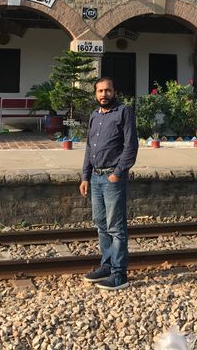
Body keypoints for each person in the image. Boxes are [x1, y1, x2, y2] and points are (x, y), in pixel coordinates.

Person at [79, 76, 138, 291]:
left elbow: (131, 145)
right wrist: (85, 176)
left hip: (113, 178)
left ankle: (119, 274)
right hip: (95, 177)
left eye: (108, 90)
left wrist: (118, 172)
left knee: (116, 227)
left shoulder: (124, 112)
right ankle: (106, 265)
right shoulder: (94, 116)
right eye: (100, 91)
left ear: (114, 91)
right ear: (95, 94)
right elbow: (89, 148)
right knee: (101, 225)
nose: (104, 95)